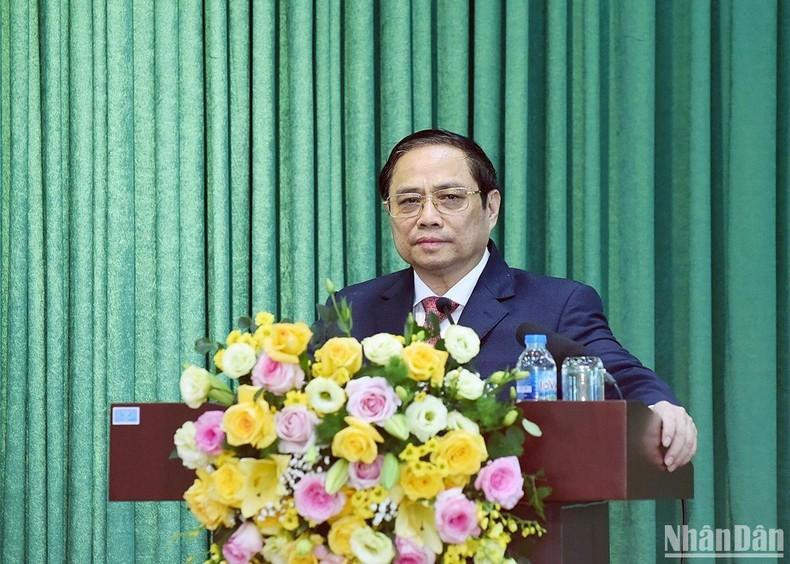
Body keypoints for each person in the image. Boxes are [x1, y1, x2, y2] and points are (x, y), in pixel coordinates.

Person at [336, 129, 697, 471]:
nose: (428, 217)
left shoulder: (557, 305)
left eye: (450, 198)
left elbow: (621, 376)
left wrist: (658, 405)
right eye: (409, 201)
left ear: (491, 207)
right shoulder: (353, 310)